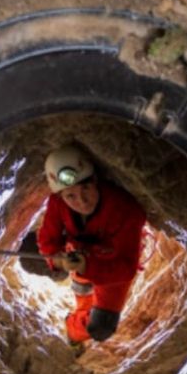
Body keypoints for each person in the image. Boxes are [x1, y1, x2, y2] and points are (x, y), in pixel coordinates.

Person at [37, 144, 146, 344]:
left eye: (85, 188)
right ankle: (77, 319)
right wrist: (60, 262)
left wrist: (88, 267)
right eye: (71, 196)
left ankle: (77, 325)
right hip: (79, 257)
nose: (82, 201)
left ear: (95, 180)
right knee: (82, 292)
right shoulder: (57, 203)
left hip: (112, 266)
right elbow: (48, 240)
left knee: (101, 327)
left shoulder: (126, 210)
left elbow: (126, 268)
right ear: (60, 196)